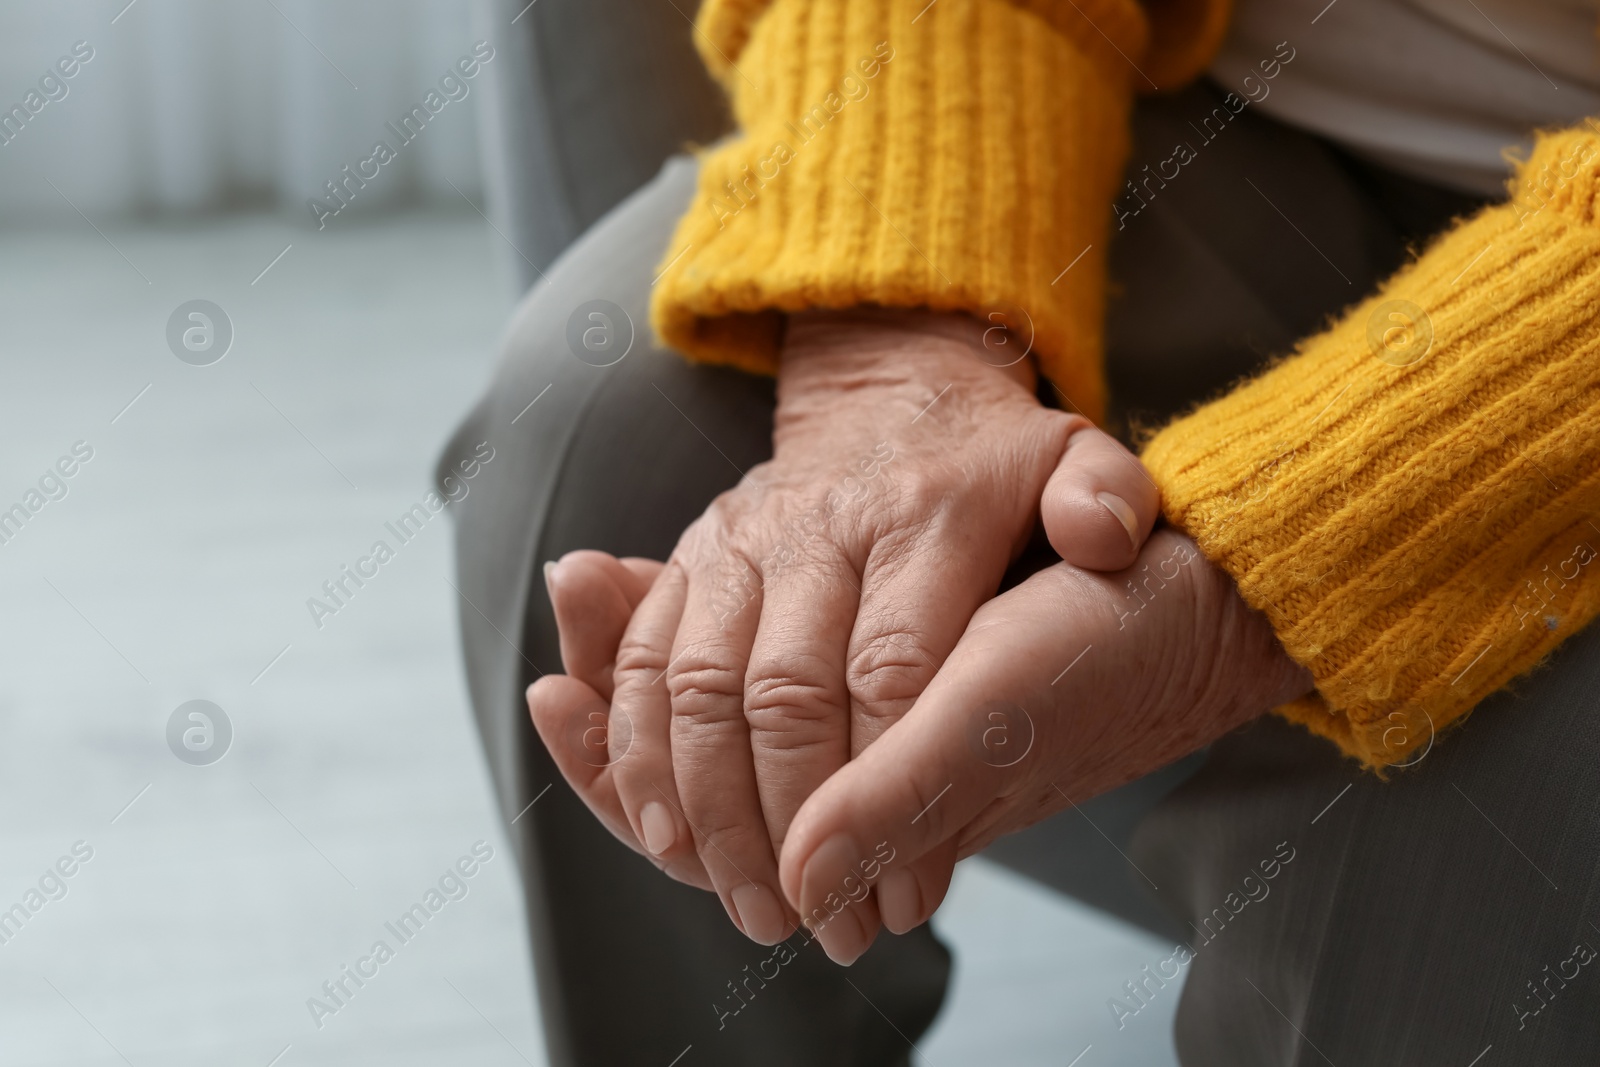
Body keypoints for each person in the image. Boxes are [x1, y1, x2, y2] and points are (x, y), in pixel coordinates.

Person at [441, 0, 1600, 1062]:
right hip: (1211, 105)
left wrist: (1263, 566)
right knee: (609, 437)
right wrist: (893, 350)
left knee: (1452, 867)